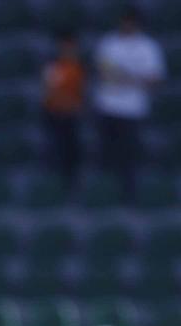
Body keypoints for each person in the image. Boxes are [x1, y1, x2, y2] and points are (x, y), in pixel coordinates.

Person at [91, 7, 163, 201]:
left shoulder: (148, 47)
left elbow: (154, 80)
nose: (128, 25)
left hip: (133, 110)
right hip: (107, 106)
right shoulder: (109, 43)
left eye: (132, 22)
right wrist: (135, 79)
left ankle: (128, 195)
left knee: (129, 156)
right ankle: (102, 195)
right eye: (125, 21)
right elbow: (104, 73)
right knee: (105, 153)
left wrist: (124, 77)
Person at [42, 29, 85, 190]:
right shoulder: (53, 65)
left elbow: (82, 91)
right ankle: (52, 186)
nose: (67, 48)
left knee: (72, 153)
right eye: (64, 45)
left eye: (70, 45)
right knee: (54, 150)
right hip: (54, 114)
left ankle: (71, 186)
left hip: (72, 115)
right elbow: (49, 89)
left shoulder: (80, 66)